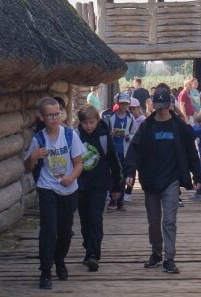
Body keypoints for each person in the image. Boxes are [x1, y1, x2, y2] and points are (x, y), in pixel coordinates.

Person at [123, 87, 201, 275]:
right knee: (153, 221)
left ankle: (169, 258)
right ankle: (156, 252)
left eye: (163, 107)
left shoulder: (180, 127)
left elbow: (191, 153)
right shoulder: (147, 127)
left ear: (169, 105)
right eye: (157, 107)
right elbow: (134, 150)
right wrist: (129, 172)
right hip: (150, 179)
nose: (160, 110)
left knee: (169, 220)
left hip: (171, 180)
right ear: (153, 105)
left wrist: (198, 176)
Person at [23, 97, 85, 290]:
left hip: (69, 188)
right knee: (49, 230)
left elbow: (79, 163)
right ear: (41, 117)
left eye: (57, 113)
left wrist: (71, 178)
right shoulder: (38, 139)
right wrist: (33, 157)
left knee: (65, 231)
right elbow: (28, 166)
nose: (55, 118)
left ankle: (60, 260)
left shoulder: (69, 135)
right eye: (50, 115)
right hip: (47, 186)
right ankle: (45, 270)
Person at [75, 104, 122, 273]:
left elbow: (113, 160)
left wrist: (116, 185)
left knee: (95, 218)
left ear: (97, 121)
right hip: (80, 185)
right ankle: (88, 244)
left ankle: (93, 254)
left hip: (99, 184)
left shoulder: (103, 136)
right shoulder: (75, 136)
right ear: (80, 123)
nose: (89, 126)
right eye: (85, 123)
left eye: (92, 122)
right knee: (84, 220)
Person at [104, 92, 137, 211]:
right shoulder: (110, 117)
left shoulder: (130, 118)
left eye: (126, 104)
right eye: (122, 103)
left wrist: (127, 136)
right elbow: (105, 133)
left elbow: (135, 134)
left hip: (124, 150)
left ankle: (120, 201)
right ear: (118, 103)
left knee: (122, 175)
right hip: (113, 150)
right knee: (113, 175)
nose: (124, 106)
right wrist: (111, 134)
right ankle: (112, 199)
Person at [123, 98, 147, 202]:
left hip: (141, 150)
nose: (131, 111)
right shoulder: (129, 119)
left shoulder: (143, 120)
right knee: (131, 170)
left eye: (133, 109)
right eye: (130, 109)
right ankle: (128, 191)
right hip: (130, 148)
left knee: (141, 170)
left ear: (138, 108)